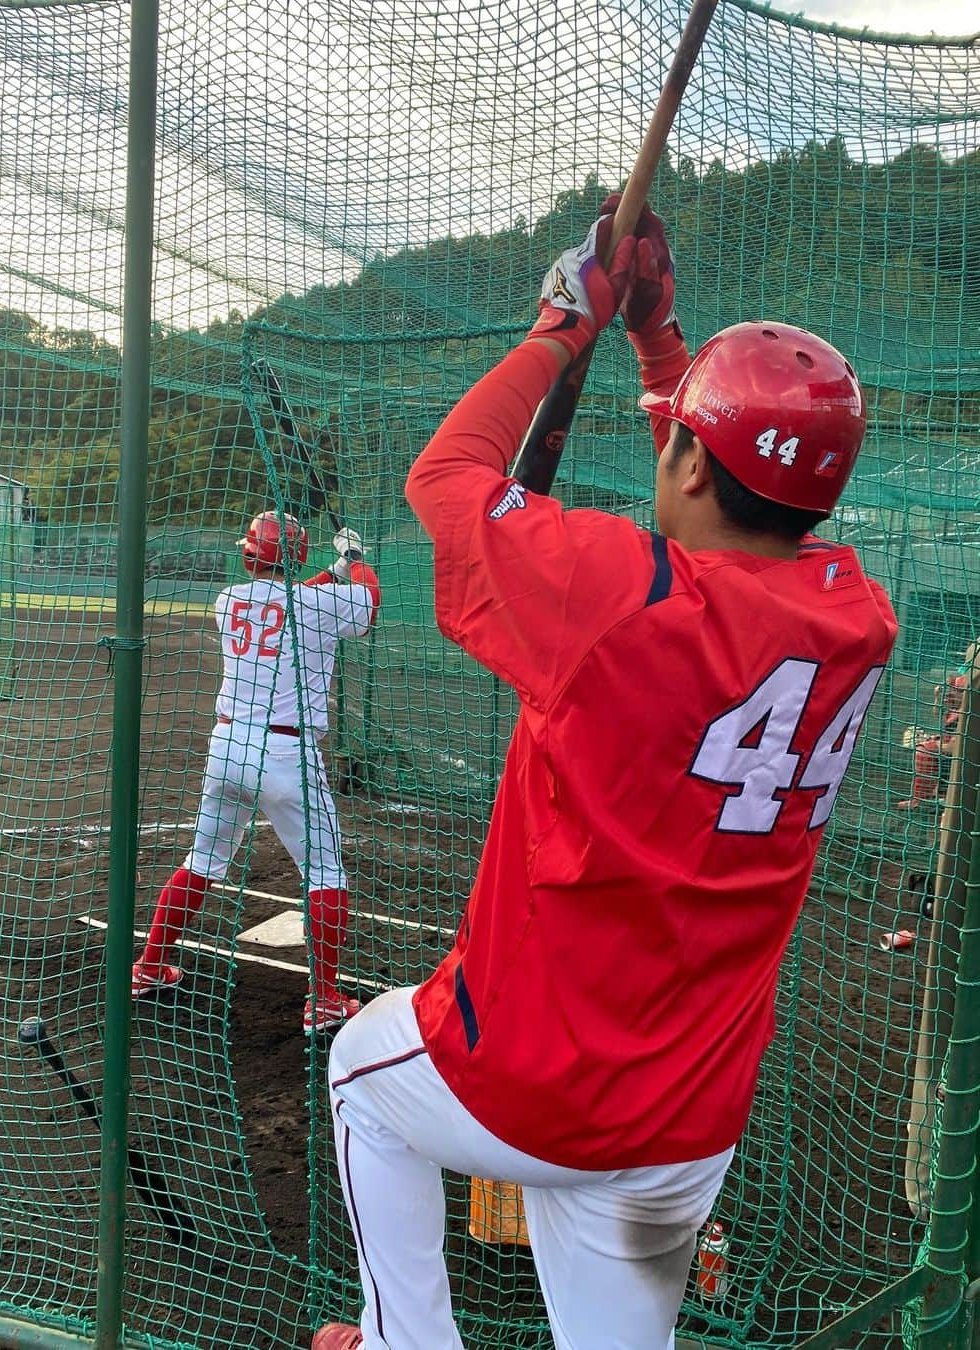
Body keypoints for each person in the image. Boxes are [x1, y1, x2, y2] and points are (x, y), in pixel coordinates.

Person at [311, 200, 898, 1350]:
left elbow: (451, 477)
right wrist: (659, 343)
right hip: (688, 1115)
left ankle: (401, 1343)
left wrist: (563, 324)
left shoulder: (615, 593)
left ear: (686, 453)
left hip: (530, 1081)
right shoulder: (854, 613)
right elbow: (725, 497)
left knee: (357, 1072)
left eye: (680, 433)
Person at [131, 511, 380, 1035]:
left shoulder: (229, 600)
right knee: (327, 873)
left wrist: (335, 567)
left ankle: (150, 965)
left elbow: (291, 597)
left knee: (202, 861)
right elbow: (365, 603)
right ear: (299, 557)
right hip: (288, 754)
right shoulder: (321, 605)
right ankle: (326, 999)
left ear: (249, 554)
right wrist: (356, 559)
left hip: (227, 747)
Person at [897, 670, 967, 810]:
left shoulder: (966, 712)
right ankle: (937, 795)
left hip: (960, 759)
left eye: (955, 691)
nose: (949, 694)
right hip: (948, 752)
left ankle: (920, 800)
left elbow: (955, 748)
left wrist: (933, 744)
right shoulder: (954, 709)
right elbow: (937, 712)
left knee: (922, 751)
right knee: (926, 746)